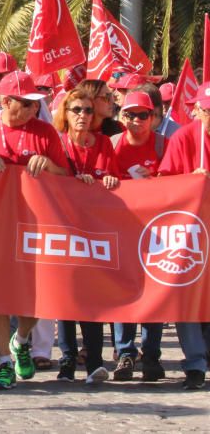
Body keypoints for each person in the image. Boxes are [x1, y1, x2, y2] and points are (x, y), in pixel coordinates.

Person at [0, 70, 69, 389]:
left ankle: (22, 338)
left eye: (34, 104)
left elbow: (67, 179)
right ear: (4, 101)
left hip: (35, 226)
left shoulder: (46, 133)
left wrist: (50, 167)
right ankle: (3, 363)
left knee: (38, 299)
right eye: (25, 103)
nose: (32, 109)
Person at [52, 88, 120, 384]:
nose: (82, 115)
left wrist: (108, 179)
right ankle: (67, 362)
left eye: (88, 110)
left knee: (91, 299)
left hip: (95, 233)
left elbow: (115, 180)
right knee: (65, 298)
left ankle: (94, 361)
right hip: (64, 229)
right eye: (76, 110)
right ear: (64, 114)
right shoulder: (58, 144)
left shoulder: (104, 143)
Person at [109, 90, 166, 381]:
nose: (136, 121)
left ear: (153, 118)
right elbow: (100, 179)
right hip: (123, 228)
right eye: (129, 114)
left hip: (156, 231)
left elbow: (176, 181)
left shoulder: (162, 145)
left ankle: (152, 354)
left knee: (155, 293)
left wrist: (156, 180)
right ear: (121, 117)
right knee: (125, 292)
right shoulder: (113, 145)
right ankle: (126, 354)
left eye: (142, 115)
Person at [158, 80, 210, 390]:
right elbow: (164, 183)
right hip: (190, 231)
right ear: (197, 111)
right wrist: (190, 181)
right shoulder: (183, 138)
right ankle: (194, 362)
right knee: (187, 294)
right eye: (208, 112)